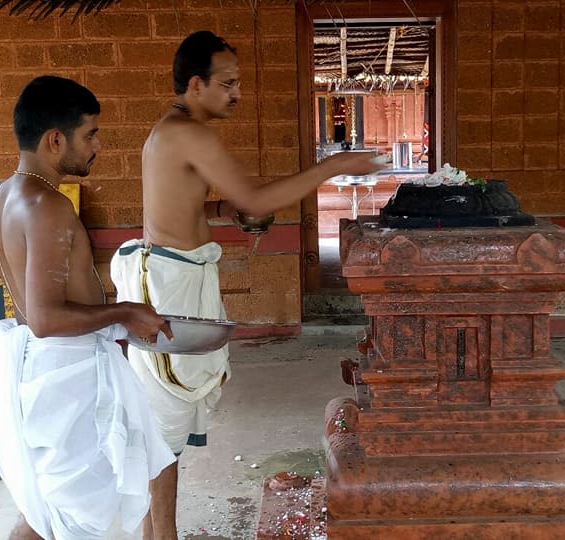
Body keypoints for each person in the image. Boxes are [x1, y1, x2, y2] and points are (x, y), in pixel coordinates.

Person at [109, 30, 385, 539]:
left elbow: (187, 206)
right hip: (170, 285)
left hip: (175, 275)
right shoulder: (189, 133)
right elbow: (259, 202)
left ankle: (158, 533)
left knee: (164, 422)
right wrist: (334, 166)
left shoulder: (174, 130)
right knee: (162, 425)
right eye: (228, 83)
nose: (237, 93)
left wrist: (221, 209)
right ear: (197, 84)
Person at [0, 75, 177, 540]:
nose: (97, 146)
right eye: (90, 135)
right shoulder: (48, 206)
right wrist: (124, 312)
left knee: (50, 510)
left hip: (35, 376)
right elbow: (45, 318)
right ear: (55, 139)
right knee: (77, 517)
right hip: (69, 377)